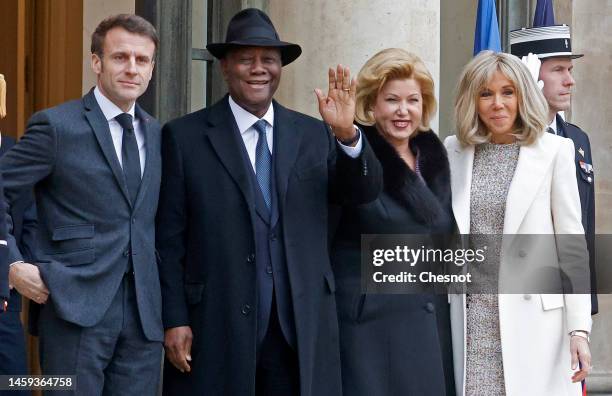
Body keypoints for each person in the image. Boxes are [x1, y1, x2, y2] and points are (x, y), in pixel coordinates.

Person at [156, 8, 382, 396]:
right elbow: (168, 239)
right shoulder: (185, 137)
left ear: (281, 68)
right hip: (218, 326)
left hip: (299, 327)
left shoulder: (315, 134)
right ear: (225, 67)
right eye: (246, 59)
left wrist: (347, 134)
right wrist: (173, 318)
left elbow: (361, 193)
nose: (258, 69)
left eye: (269, 60)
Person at [1, 14, 163, 395]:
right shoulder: (57, 127)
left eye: (142, 60)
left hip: (144, 315)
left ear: (152, 69)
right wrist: (10, 263)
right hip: (74, 307)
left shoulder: (158, 134)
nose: (132, 68)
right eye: (120, 57)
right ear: (96, 62)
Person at [445, 50, 591, 396]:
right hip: (471, 320)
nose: (497, 104)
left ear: (523, 96)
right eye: (486, 93)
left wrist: (579, 330)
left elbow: (572, 246)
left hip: (536, 323)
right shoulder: (452, 150)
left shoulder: (556, 151)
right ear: (472, 100)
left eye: (507, 92)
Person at [324, 48, 455, 395]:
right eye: (391, 100)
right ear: (371, 104)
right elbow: (355, 186)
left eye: (413, 100)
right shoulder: (353, 153)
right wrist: (348, 137)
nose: (403, 110)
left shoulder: (436, 156)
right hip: (371, 332)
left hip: (430, 327)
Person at [510, 24, 597, 314]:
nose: (570, 81)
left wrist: (584, 307)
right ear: (531, 75)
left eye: (570, 70)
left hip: (568, 295)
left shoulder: (577, 139)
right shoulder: (505, 143)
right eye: (558, 70)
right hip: (522, 299)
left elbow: (583, 228)